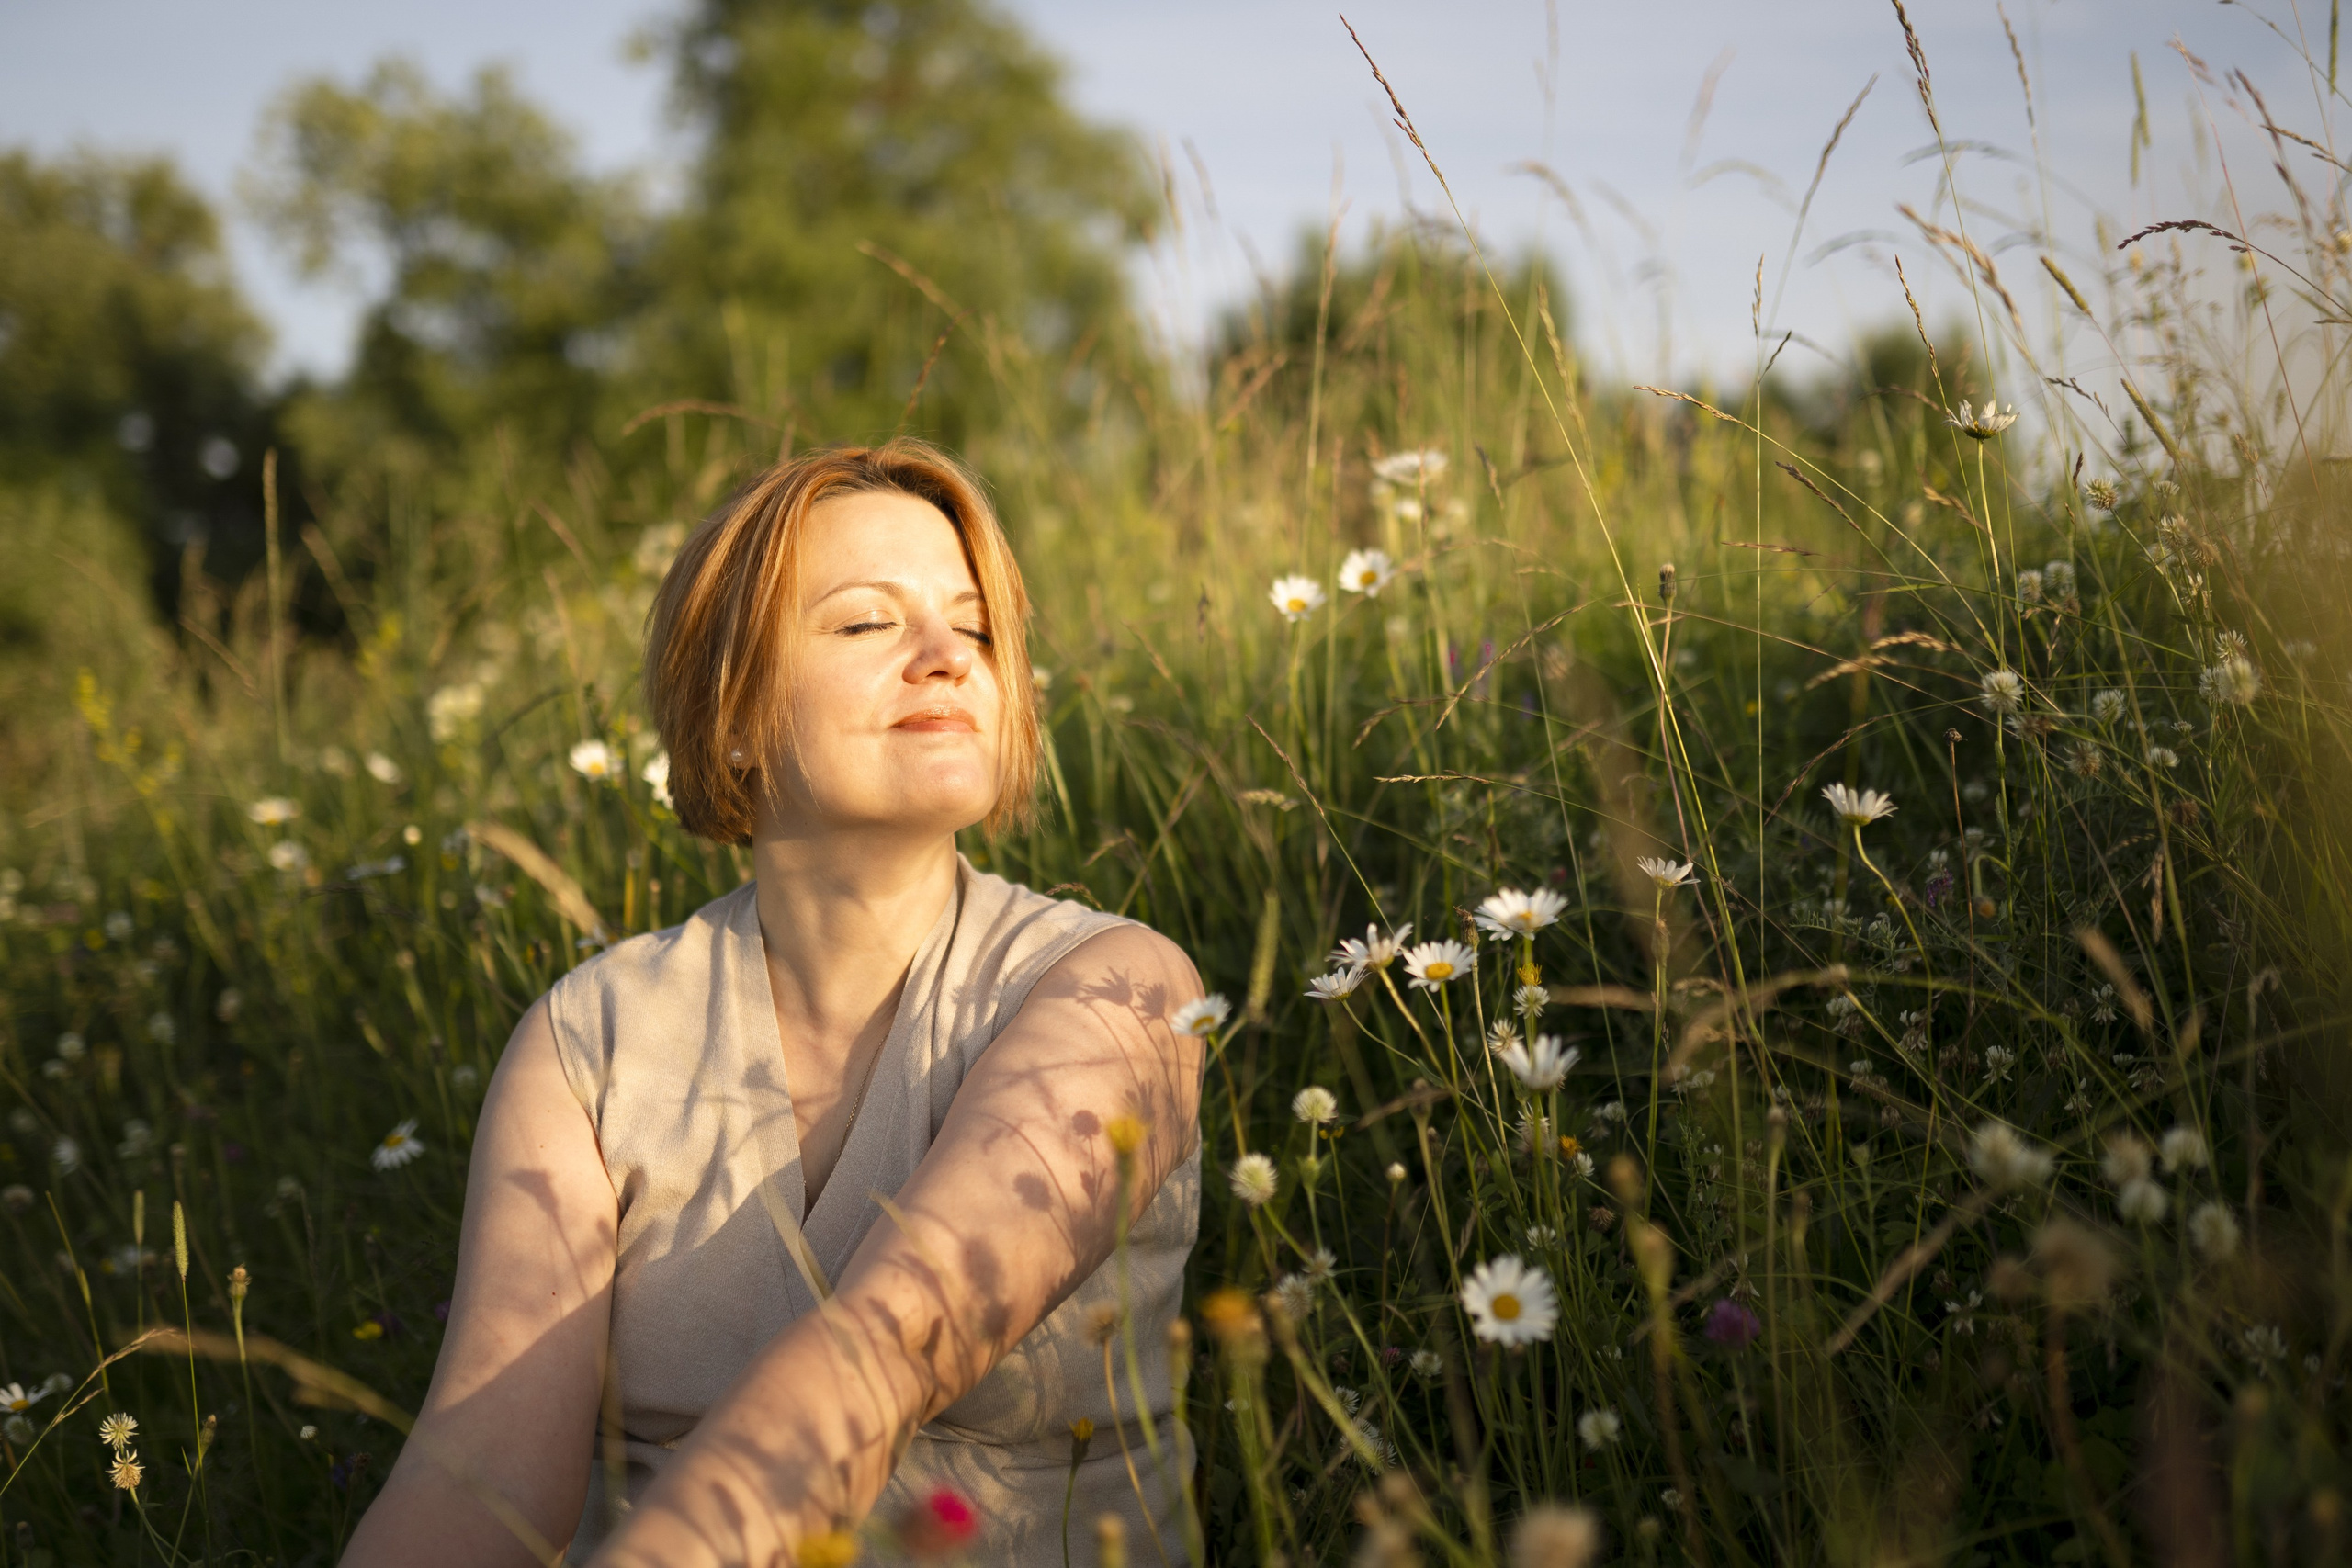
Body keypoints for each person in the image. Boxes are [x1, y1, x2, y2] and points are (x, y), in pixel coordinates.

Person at [342, 441, 1206, 1568]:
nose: (948, 657)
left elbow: (882, 1359)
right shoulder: (588, 1042)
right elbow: (484, 1477)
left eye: (977, 627)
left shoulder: (1120, 991)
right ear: (734, 708)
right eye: (865, 625)